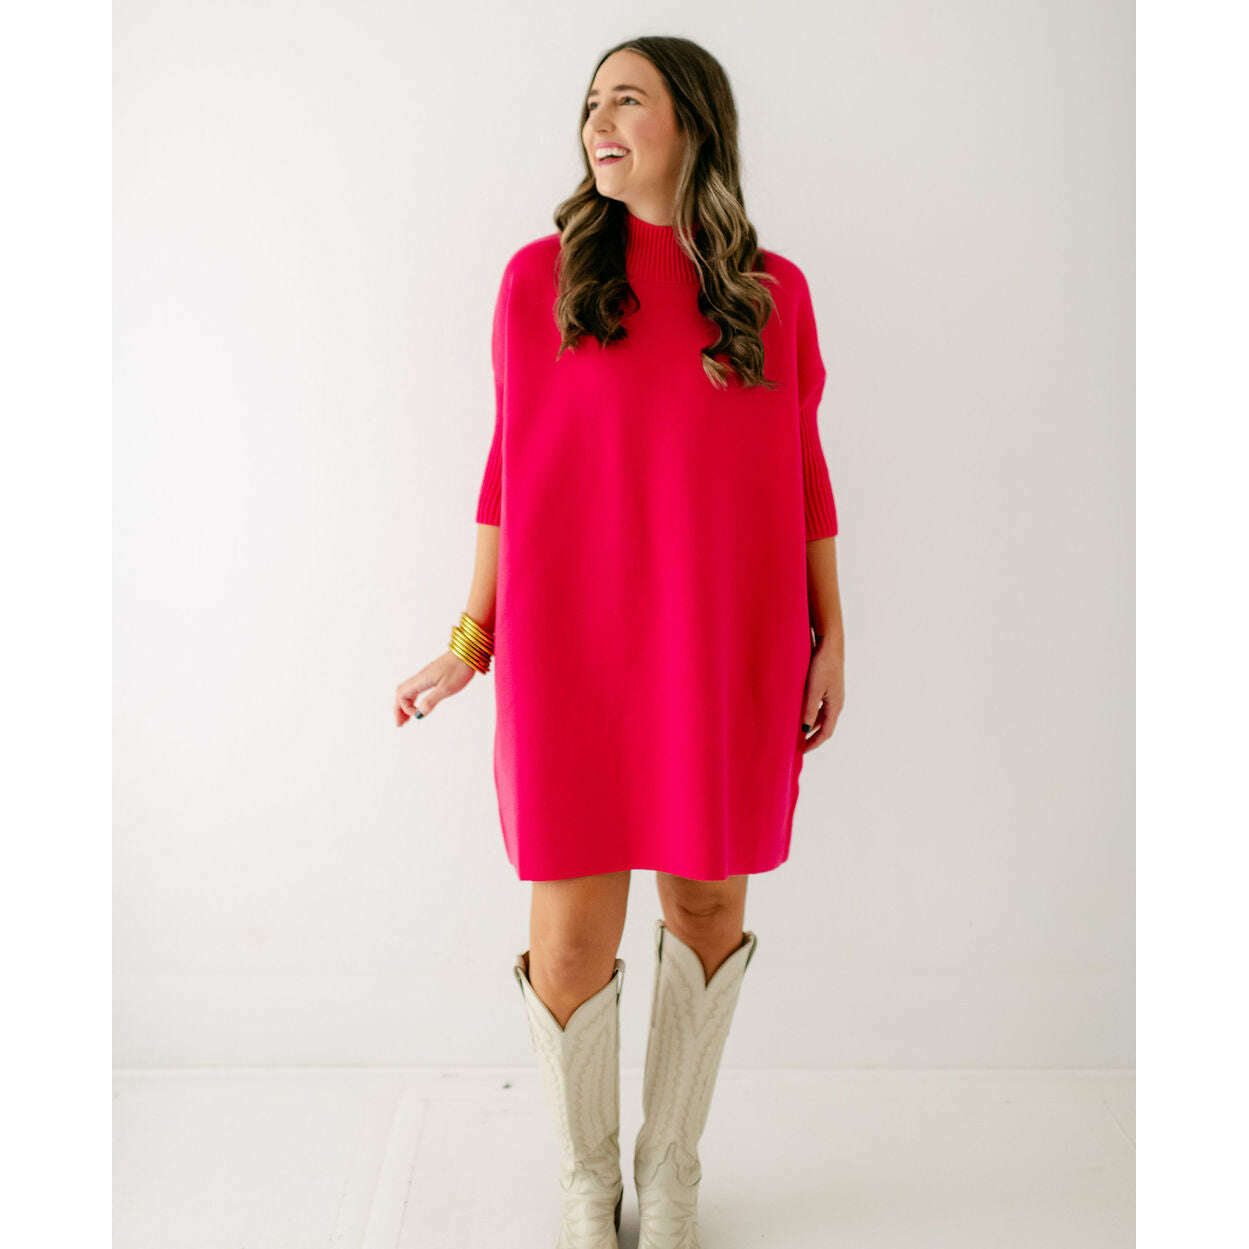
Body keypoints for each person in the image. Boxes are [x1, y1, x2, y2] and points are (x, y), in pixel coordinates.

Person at [393, 35, 845, 1249]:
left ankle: (671, 1169)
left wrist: (831, 634)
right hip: (572, 646)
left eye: (627, 100)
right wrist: (470, 635)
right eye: (591, 103)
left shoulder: (772, 294)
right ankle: (589, 1182)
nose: (598, 121)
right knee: (568, 939)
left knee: (704, 902)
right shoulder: (537, 283)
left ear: (692, 123)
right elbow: (508, 469)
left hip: (725, 636)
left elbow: (802, 473)